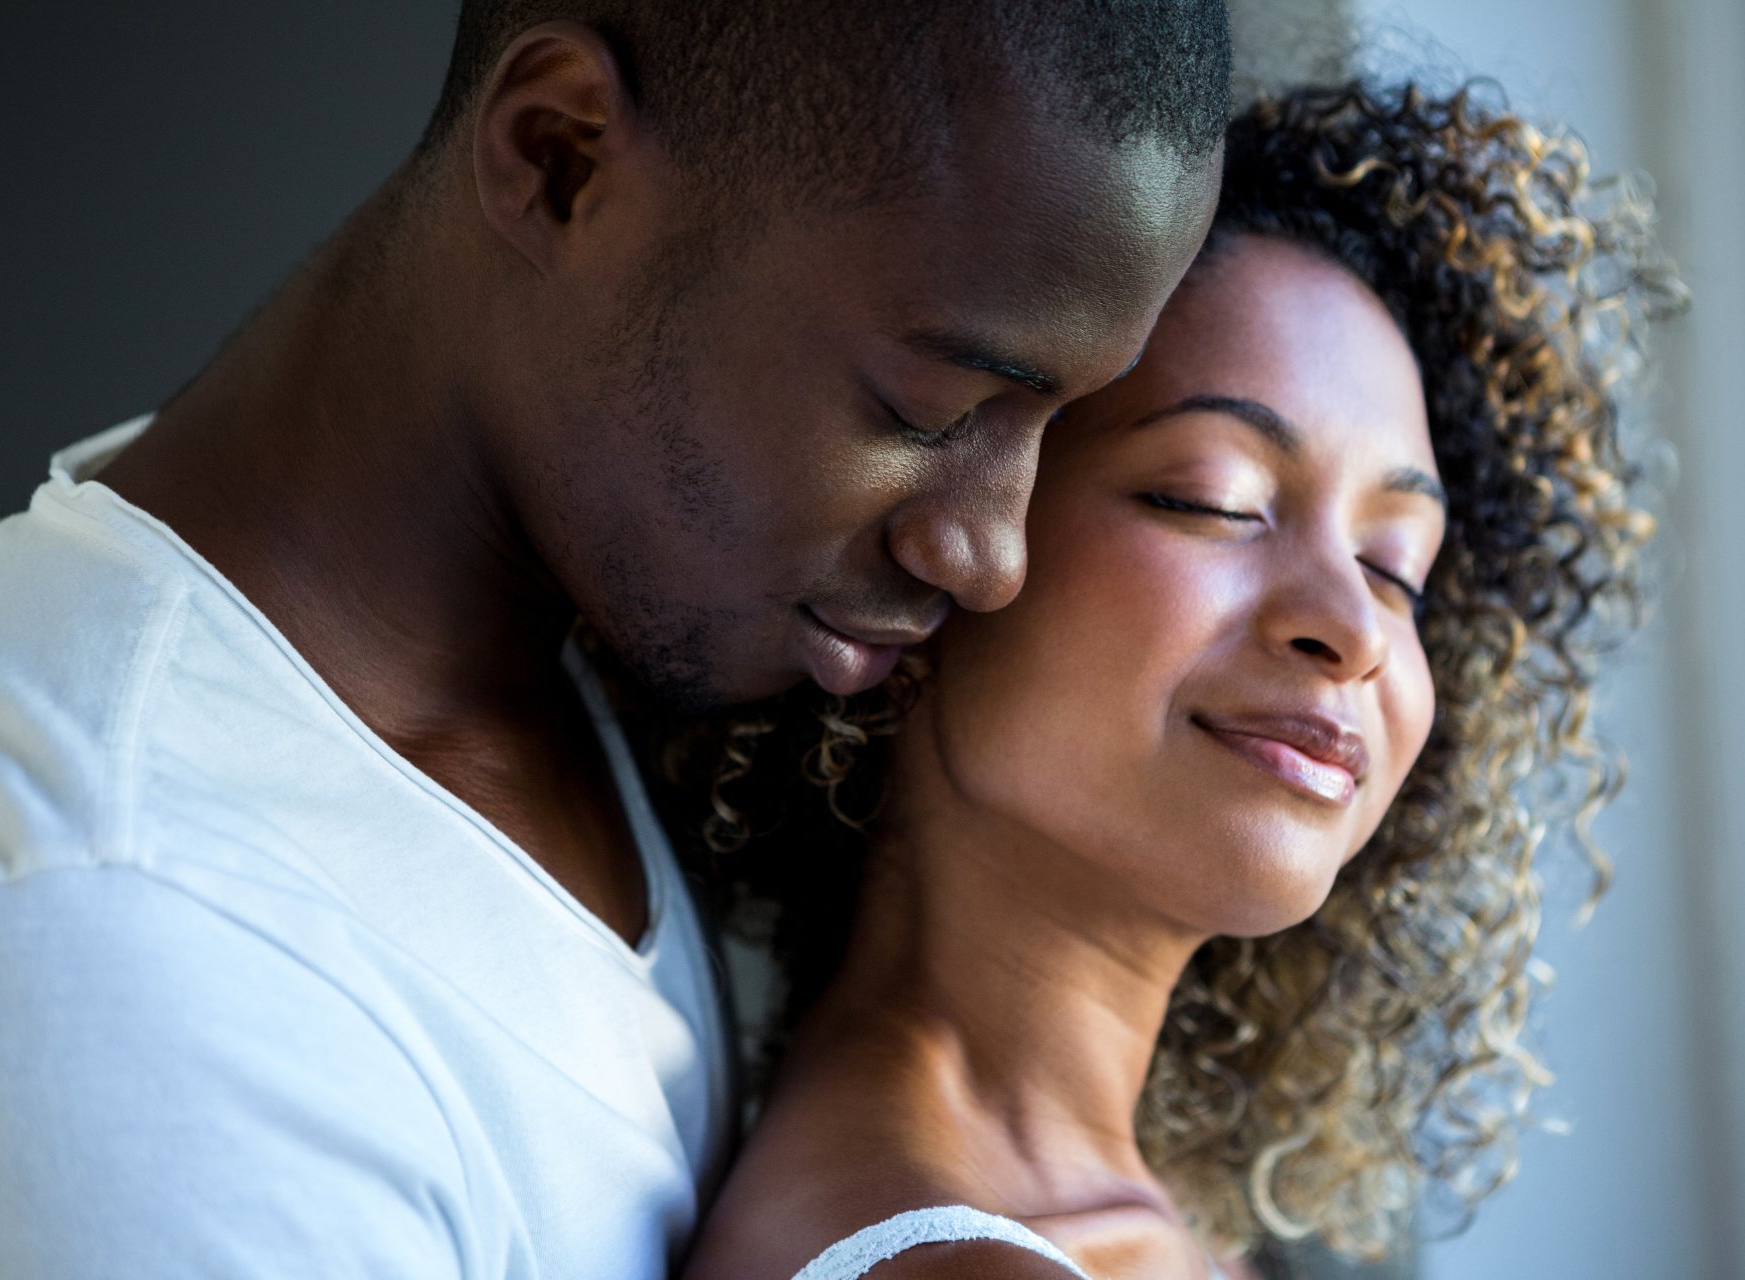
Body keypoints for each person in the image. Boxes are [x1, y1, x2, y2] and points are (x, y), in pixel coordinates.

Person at [0, 4, 1233, 1278]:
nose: (994, 556)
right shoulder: (108, 949)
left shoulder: (590, 654)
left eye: (1057, 423)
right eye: (927, 409)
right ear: (562, 157)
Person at [665, 80, 1685, 1279]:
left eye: (1397, 565)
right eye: (1215, 498)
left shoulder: (1118, 1224)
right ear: (931, 554)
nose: (1351, 623)